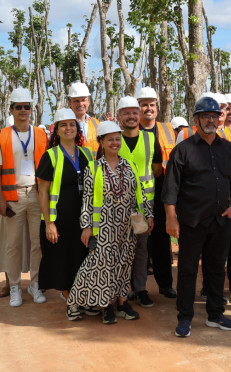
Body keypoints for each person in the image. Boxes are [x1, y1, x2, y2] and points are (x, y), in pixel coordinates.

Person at [162, 95, 231, 338]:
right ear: (195, 120)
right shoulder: (183, 150)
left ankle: (215, 314)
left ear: (219, 120)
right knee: (187, 270)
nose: (211, 120)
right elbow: (171, 189)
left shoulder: (228, 149)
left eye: (214, 116)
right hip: (192, 222)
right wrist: (170, 218)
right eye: (205, 116)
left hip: (221, 221)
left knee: (217, 269)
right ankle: (185, 317)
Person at [68, 121, 147, 324]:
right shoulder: (93, 168)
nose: (115, 142)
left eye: (117, 138)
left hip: (127, 226)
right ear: (101, 142)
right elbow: (86, 200)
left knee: (124, 264)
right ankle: (105, 306)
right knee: (101, 266)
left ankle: (122, 303)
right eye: (110, 139)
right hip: (103, 227)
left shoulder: (129, 165)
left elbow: (140, 193)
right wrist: (86, 227)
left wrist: (147, 215)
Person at [0, 87, 47, 307]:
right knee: (12, 244)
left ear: (32, 109)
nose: (23, 111)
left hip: (36, 194)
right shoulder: (2, 136)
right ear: (11, 109)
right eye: (19, 107)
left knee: (37, 243)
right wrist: (1, 200)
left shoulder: (41, 134)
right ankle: (15, 286)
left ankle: (35, 284)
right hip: (13, 197)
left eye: (27, 107)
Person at [36, 108, 93, 320]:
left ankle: (82, 298)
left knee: (82, 259)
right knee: (63, 261)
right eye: (63, 125)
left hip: (83, 219)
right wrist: (49, 223)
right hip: (59, 219)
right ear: (57, 130)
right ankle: (71, 303)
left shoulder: (86, 153)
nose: (68, 128)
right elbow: (42, 191)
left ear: (77, 129)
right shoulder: (50, 156)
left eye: (72, 124)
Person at [116, 96, 162, 308]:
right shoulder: (113, 139)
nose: (132, 116)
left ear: (140, 114)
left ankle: (141, 288)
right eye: (126, 113)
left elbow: (156, 169)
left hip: (144, 205)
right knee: (121, 248)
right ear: (119, 117)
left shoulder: (150, 139)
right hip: (118, 204)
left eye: (135, 112)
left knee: (142, 248)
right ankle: (123, 289)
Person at [135, 86, 178, 299]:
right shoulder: (131, 131)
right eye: (144, 105)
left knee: (162, 239)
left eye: (152, 104)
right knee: (137, 240)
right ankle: (136, 286)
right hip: (137, 192)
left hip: (163, 190)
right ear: (138, 108)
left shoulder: (168, 129)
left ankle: (165, 283)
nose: (148, 108)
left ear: (157, 107)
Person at [67, 82, 100, 151]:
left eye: (83, 100)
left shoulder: (96, 123)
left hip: (95, 162)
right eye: (76, 101)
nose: (80, 104)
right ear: (70, 103)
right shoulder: (64, 125)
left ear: (88, 102)